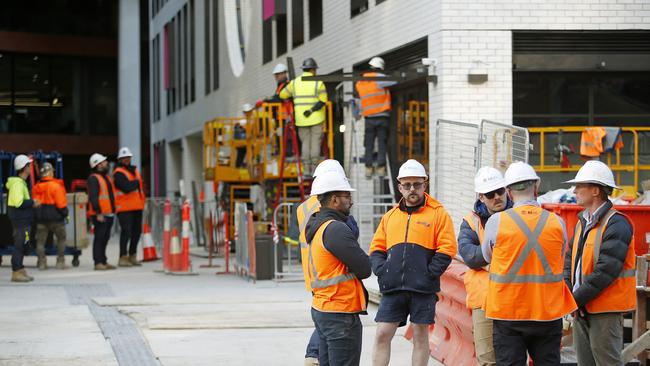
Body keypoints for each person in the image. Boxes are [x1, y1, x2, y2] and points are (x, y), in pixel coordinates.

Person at [480, 162, 577, 366]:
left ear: (508, 191)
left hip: (508, 312)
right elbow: (560, 255)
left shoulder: (497, 222)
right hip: (547, 312)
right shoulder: (557, 222)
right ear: (537, 186)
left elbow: (488, 257)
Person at [370, 159, 457, 366]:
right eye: (407, 185)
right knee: (382, 333)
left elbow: (447, 248)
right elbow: (376, 248)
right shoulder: (390, 217)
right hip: (393, 288)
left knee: (420, 335)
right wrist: (383, 271)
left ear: (424, 185)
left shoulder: (438, 214)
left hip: (422, 289)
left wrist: (428, 274)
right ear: (400, 187)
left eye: (417, 184)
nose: (412, 189)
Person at [564, 160, 636, 366]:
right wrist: (571, 297)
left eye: (580, 185)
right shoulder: (583, 221)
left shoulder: (617, 223)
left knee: (607, 363)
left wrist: (573, 300)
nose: (575, 190)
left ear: (595, 190)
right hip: (582, 306)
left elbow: (606, 271)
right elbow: (570, 260)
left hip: (604, 310)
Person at [295, 159, 359, 366]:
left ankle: (312, 355)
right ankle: (312, 354)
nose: (348, 199)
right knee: (332, 321)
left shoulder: (303, 208)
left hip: (314, 273)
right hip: (334, 278)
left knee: (323, 318)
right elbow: (351, 238)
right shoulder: (335, 214)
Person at [305, 171, 371, 366]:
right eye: (347, 196)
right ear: (334, 199)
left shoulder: (319, 225)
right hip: (339, 312)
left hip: (325, 308)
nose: (350, 201)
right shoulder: (336, 229)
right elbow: (365, 268)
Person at [458, 166, 511, 366]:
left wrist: (489, 257)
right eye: (490, 194)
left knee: (514, 358)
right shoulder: (471, 221)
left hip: (515, 296)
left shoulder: (518, 214)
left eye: (500, 191)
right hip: (485, 299)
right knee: (487, 359)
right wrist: (502, 254)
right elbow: (470, 256)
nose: (497, 197)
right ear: (481, 197)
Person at [279, 57, 328, 176]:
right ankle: (315, 170)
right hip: (317, 118)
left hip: (301, 120)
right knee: (315, 143)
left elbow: (282, 94)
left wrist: (292, 98)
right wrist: (311, 110)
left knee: (305, 144)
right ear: (312, 69)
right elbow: (323, 101)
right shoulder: (318, 82)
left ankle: (306, 170)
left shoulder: (294, 83)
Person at [355, 57, 396, 179]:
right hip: (382, 116)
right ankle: (381, 169)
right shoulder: (379, 78)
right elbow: (395, 81)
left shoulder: (360, 82)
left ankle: (368, 169)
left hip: (369, 117)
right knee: (382, 143)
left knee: (369, 144)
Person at [6, 154, 40, 282]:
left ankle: (20, 269)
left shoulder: (21, 183)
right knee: (19, 245)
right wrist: (32, 202)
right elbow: (19, 203)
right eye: (28, 165)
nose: (30, 167)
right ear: (23, 167)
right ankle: (16, 272)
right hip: (20, 221)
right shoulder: (17, 184)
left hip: (23, 220)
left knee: (23, 244)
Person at [113, 147, 145, 267]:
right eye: (124, 158)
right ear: (120, 160)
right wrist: (135, 183)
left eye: (128, 158)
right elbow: (127, 187)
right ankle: (123, 257)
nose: (126, 160)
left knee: (136, 233)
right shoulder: (118, 173)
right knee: (126, 232)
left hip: (137, 206)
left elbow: (138, 189)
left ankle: (133, 255)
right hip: (124, 208)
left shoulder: (134, 171)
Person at [32, 162, 68, 270]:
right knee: (61, 238)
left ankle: (42, 263)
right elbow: (61, 204)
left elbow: (34, 204)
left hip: (41, 219)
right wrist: (65, 213)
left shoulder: (35, 187)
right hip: (56, 219)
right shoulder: (56, 186)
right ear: (51, 172)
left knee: (40, 241)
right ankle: (60, 262)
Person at [87, 153, 117, 271]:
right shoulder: (94, 178)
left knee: (105, 238)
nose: (106, 163)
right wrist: (98, 212)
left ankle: (103, 261)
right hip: (100, 214)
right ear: (98, 165)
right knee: (99, 238)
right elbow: (93, 197)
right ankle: (98, 262)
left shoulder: (105, 177)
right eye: (104, 162)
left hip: (108, 213)